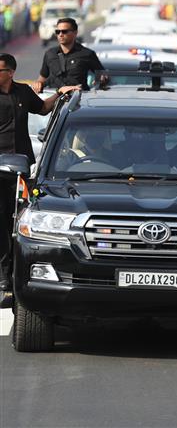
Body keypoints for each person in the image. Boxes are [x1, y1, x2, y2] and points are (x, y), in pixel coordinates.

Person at [0, 53, 78, 296]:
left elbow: (43, 109)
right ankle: (4, 273)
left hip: (21, 168)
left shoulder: (22, 92)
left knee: (19, 219)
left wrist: (60, 94)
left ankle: (16, 270)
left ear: (10, 72)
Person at [33, 17, 103, 92]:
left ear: (75, 33)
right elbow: (43, 77)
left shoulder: (87, 54)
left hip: (78, 99)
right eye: (58, 31)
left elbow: (101, 75)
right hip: (54, 99)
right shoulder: (50, 54)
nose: (60, 34)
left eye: (64, 31)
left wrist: (101, 80)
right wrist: (38, 83)